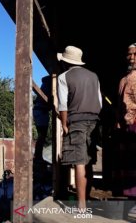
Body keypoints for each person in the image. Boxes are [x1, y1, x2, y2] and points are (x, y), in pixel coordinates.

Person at [57, 46, 102, 210]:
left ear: (65, 62)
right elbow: (100, 101)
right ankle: (86, 199)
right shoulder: (93, 76)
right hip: (95, 121)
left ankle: (81, 206)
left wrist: (63, 123)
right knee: (88, 161)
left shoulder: (64, 77)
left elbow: (63, 105)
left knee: (79, 162)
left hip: (77, 121)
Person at [115, 42, 136, 197]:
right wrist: (117, 119)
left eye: (135, 54)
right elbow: (118, 104)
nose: (131, 58)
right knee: (129, 161)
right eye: (129, 54)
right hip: (127, 125)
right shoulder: (123, 79)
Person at [33, 75, 52, 161]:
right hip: (41, 111)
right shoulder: (48, 86)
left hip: (39, 111)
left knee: (42, 135)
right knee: (42, 135)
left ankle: (38, 156)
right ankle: (38, 156)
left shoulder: (44, 85)